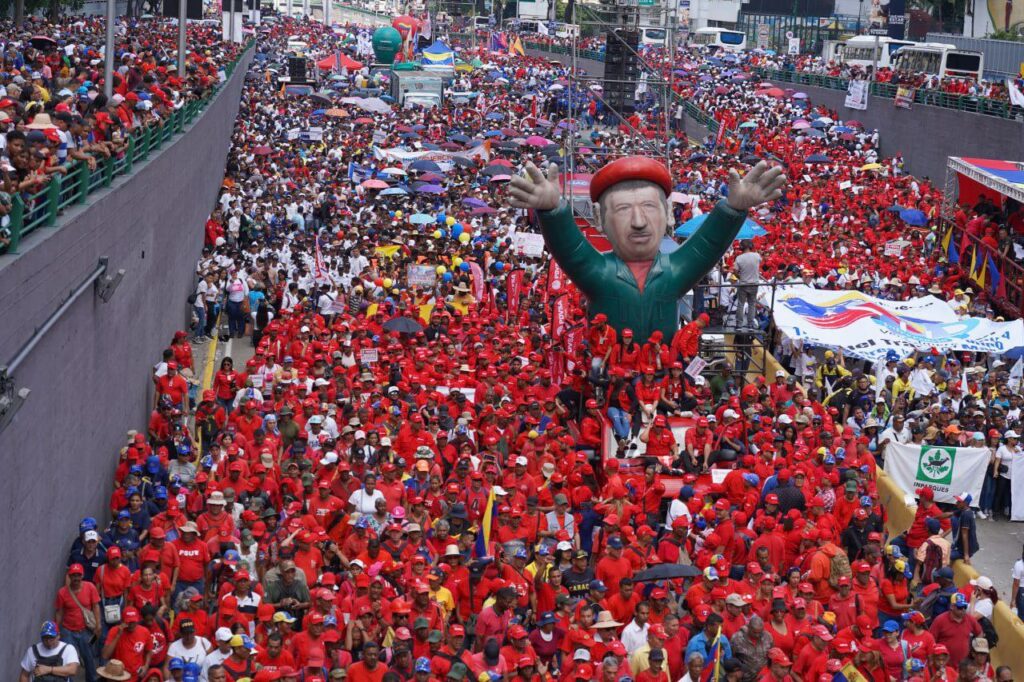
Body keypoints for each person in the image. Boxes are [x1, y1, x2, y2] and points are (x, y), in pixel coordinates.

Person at [508, 158, 785, 341]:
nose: (639, 222)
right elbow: (570, 250)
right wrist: (552, 212)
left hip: (663, 380)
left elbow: (708, 245)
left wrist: (733, 209)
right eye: (623, 209)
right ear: (599, 218)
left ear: (668, 213)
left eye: (649, 207)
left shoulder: (673, 272)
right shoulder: (600, 273)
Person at [731, 239, 761, 330]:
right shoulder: (757, 255)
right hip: (754, 284)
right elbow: (759, 262)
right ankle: (750, 324)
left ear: (741, 247)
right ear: (750, 246)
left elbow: (735, 271)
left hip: (743, 283)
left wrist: (740, 277)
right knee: (752, 304)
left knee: (741, 304)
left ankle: (739, 325)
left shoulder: (739, 258)